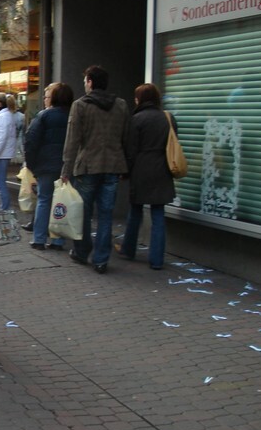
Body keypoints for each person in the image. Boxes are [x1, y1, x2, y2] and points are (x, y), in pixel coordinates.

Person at [62, 65, 130, 274]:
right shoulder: (121, 105)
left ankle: (82, 251)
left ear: (90, 82)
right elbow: (126, 137)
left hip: (87, 166)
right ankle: (101, 259)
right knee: (106, 214)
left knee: (83, 212)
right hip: (112, 166)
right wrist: (125, 165)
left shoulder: (80, 105)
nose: (84, 84)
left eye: (85, 81)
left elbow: (72, 140)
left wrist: (66, 169)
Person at [116, 83, 176, 270]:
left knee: (135, 211)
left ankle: (128, 249)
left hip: (141, 169)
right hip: (162, 168)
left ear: (140, 100)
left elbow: (131, 149)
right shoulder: (168, 118)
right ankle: (157, 260)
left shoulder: (137, 119)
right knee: (158, 214)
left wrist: (125, 171)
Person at [24, 82, 74, 251]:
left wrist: (31, 164)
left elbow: (31, 140)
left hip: (45, 164)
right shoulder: (73, 115)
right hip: (66, 165)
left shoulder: (44, 116)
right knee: (61, 202)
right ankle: (57, 240)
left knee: (44, 200)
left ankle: (39, 239)